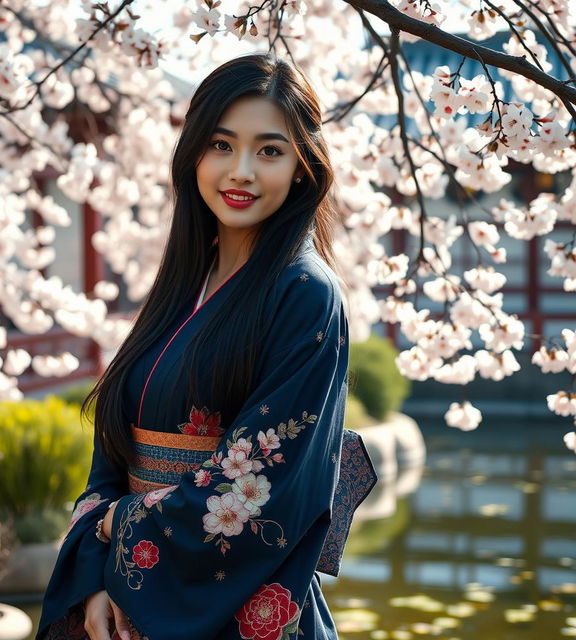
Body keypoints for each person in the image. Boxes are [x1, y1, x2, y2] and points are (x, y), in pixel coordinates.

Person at [36, 52, 376, 640]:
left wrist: (121, 525)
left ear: (302, 165)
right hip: (122, 597)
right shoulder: (185, 281)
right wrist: (93, 574)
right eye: (221, 145)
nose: (240, 170)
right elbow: (112, 450)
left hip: (232, 604)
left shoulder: (306, 295)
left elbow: (258, 492)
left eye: (269, 150)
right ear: (193, 152)